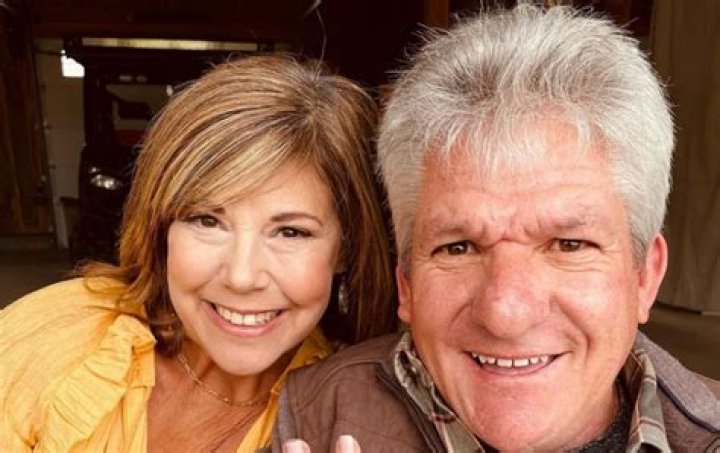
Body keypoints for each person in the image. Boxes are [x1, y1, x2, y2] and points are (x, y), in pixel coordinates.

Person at [274, 5, 720, 452]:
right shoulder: (310, 419)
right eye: (459, 247)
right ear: (406, 281)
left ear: (644, 277)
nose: (506, 315)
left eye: (568, 244)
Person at [0, 54, 397, 452]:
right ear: (161, 227)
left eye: (290, 232)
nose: (241, 277)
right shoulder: (54, 334)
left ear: (346, 249)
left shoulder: (358, 417)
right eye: (207, 220)